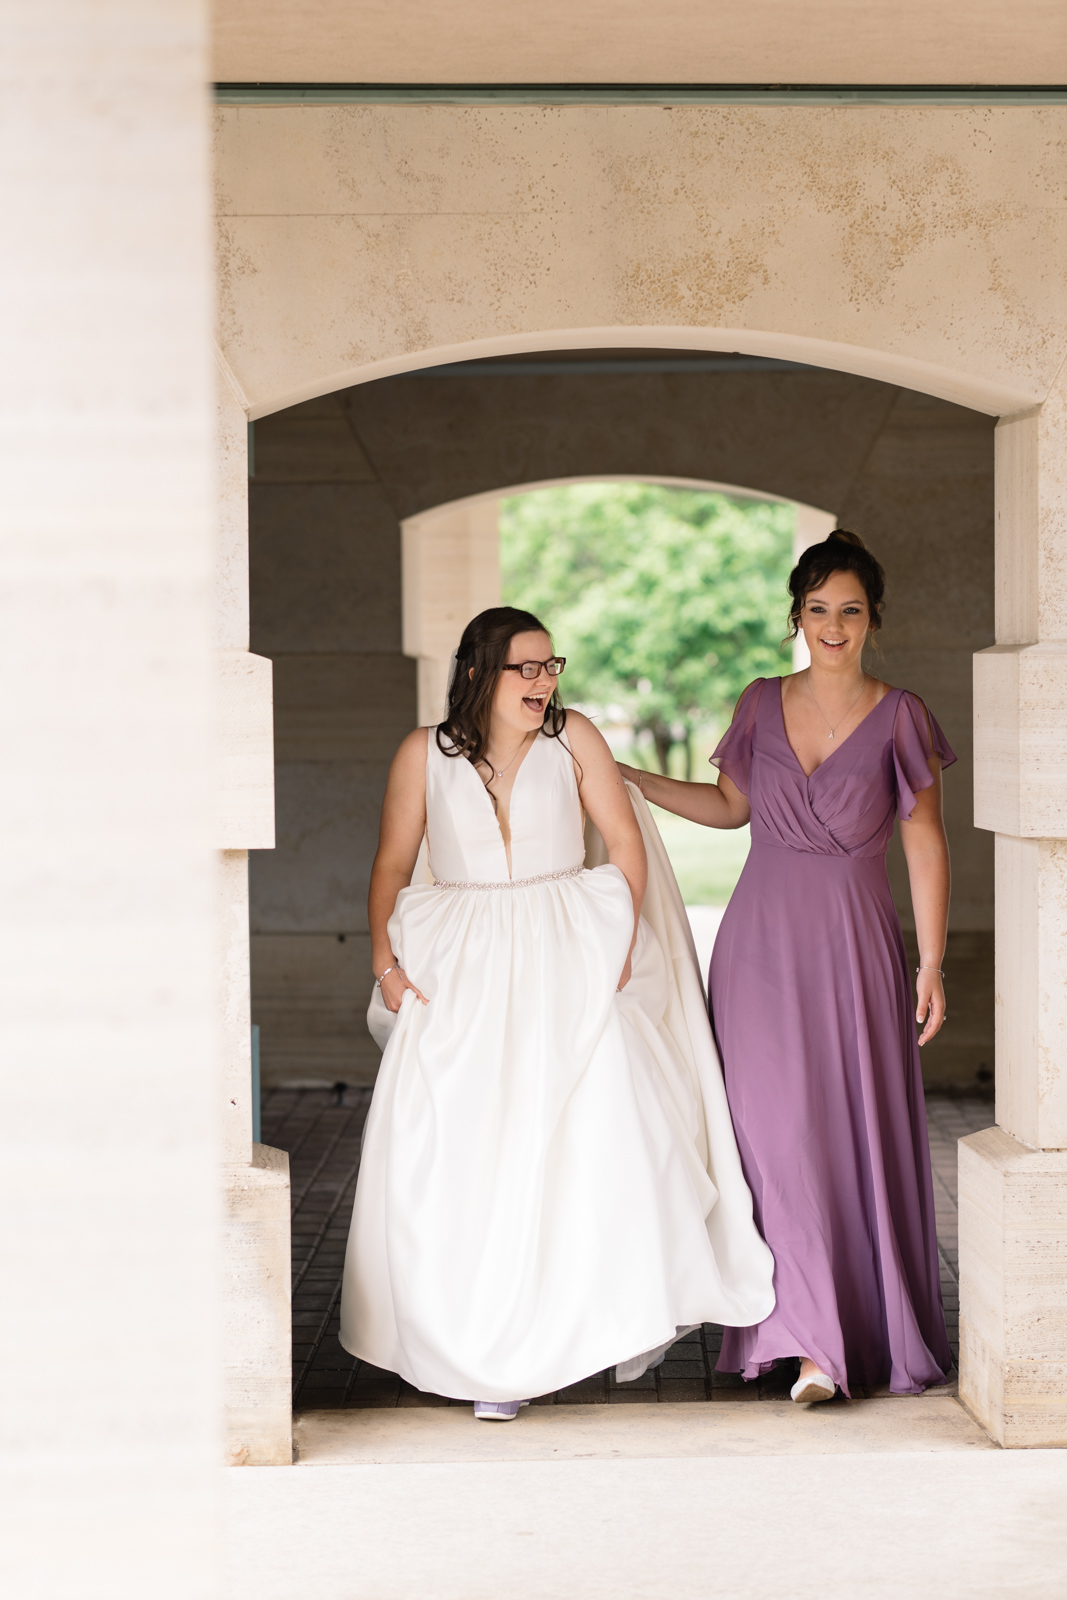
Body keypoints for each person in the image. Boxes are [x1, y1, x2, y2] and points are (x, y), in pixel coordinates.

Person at [339, 606, 774, 1418]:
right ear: (477, 673)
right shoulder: (420, 754)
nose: (544, 682)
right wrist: (385, 965)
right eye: (526, 668)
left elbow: (625, 840)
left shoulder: (574, 740)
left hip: (565, 950)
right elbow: (392, 862)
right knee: (465, 1150)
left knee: (584, 1144)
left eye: (550, 666)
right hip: (460, 964)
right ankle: (478, 1357)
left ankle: (567, 1333)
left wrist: (617, 942)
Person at [618, 531, 953, 1402]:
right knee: (769, 1140)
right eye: (816, 610)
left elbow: (924, 843)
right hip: (757, 949)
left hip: (852, 944)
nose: (832, 625)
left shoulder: (901, 713)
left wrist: (932, 962)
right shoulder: (759, 701)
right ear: (795, 617)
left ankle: (825, 1345)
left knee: (845, 1138)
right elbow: (731, 808)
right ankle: (794, 1335)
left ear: (872, 618)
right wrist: (631, 780)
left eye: (848, 610)